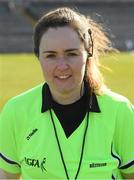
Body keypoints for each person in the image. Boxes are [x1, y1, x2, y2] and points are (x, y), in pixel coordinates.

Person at [0, 7, 134, 180]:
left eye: (71, 54)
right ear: (38, 56)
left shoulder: (120, 111)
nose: (62, 66)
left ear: (88, 52)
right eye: (51, 55)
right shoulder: (16, 111)